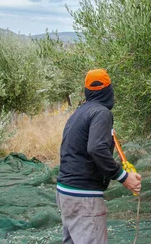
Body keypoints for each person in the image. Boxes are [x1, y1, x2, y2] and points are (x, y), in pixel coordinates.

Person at [56, 68, 142, 244]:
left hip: (66, 193)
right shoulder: (102, 113)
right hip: (84, 196)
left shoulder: (78, 114)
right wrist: (124, 177)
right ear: (109, 91)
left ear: (87, 92)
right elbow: (96, 149)